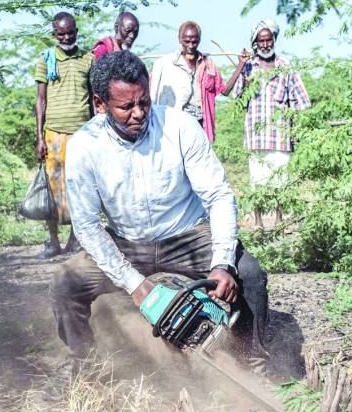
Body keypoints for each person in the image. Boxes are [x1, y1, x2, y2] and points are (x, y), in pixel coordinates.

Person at [51, 50, 270, 370]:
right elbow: (87, 227)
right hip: (125, 242)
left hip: (188, 234)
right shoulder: (85, 146)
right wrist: (134, 284)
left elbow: (219, 195)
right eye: (126, 106)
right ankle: (87, 368)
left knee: (250, 276)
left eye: (144, 102)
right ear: (100, 104)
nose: (139, 112)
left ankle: (253, 366)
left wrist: (223, 263)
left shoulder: (180, 126)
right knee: (64, 284)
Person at [223, 19, 311, 229]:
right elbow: (234, 95)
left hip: (281, 134)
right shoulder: (249, 66)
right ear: (255, 42)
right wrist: (241, 66)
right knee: (258, 180)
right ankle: (259, 222)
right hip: (255, 135)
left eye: (268, 40)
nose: (265, 45)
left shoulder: (285, 66)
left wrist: (297, 127)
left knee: (280, 180)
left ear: (274, 40)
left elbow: (301, 100)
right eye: (260, 41)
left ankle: (280, 220)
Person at [33, 11, 94, 259]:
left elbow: (93, 99)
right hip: (54, 135)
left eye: (70, 32)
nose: (67, 36)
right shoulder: (46, 60)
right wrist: (39, 136)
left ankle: (74, 240)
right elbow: (40, 100)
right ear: (54, 34)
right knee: (52, 187)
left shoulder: (88, 60)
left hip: (82, 134)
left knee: (80, 187)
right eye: (61, 33)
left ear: (76, 31)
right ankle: (53, 241)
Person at [148, 21, 225, 142]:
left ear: (199, 40)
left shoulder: (207, 65)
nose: (191, 45)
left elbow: (223, 90)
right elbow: (151, 91)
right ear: (179, 39)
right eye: (186, 41)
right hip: (175, 123)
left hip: (199, 123)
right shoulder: (166, 64)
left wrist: (241, 64)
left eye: (194, 41)